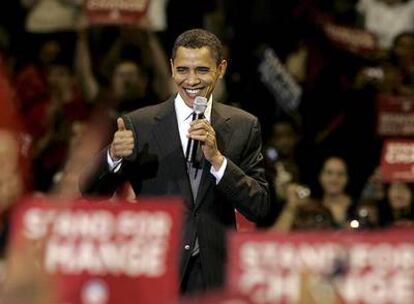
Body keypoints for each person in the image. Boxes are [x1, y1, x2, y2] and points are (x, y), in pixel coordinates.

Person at [80, 28, 270, 295]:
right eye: (183, 69)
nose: (191, 80)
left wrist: (217, 161)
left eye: (202, 70)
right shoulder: (140, 124)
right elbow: (89, 191)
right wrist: (112, 155)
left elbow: (259, 205)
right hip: (157, 270)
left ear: (221, 68)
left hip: (214, 274)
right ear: (171, 68)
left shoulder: (243, 126)